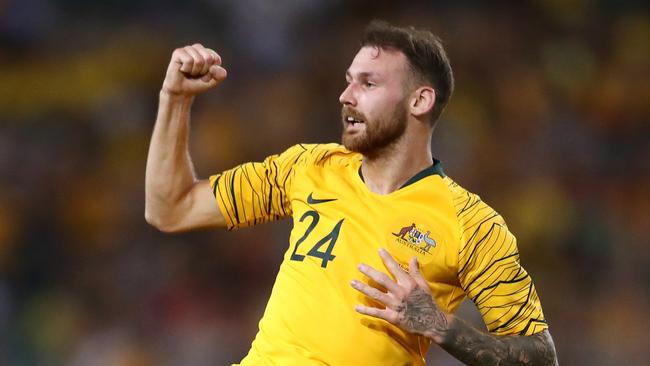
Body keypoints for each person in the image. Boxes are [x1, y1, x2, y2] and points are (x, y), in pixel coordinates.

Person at [145, 20, 558, 365]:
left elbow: (541, 356)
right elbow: (171, 209)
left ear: (420, 100)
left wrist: (438, 325)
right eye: (348, 81)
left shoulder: (472, 225)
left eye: (368, 83)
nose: (346, 95)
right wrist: (175, 100)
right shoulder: (308, 166)